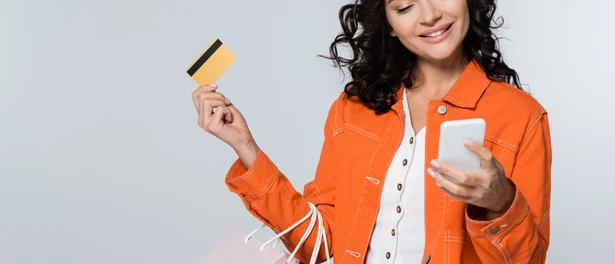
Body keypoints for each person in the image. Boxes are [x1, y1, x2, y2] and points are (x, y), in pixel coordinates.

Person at [191, 0, 552, 263]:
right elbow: (321, 243)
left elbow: (528, 260)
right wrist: (246, 147)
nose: (430, 16)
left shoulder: (520, 115)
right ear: (390, 24)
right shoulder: (353, 110)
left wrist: (501, 202)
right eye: (406, 6)